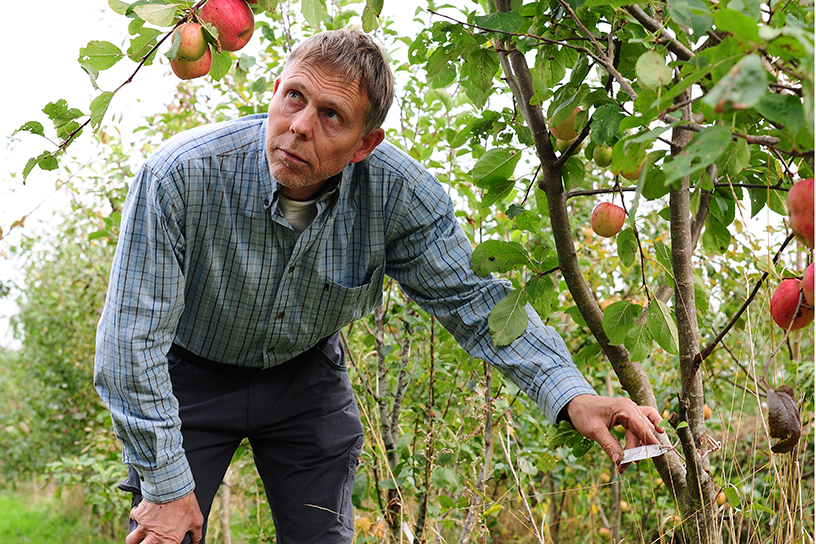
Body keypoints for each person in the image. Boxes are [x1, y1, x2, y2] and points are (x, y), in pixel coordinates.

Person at [94, 29, 663, 544]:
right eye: (294, 97)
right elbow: (130, 343)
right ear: (274, 90)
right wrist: (167, 489)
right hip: (189, 377)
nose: (299, 126)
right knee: (164, 534)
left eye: (332, 116)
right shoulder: (181, 176)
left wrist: (570, 393)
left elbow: (475, 300)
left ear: (366, 144)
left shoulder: (399, 196)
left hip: (304, 379)